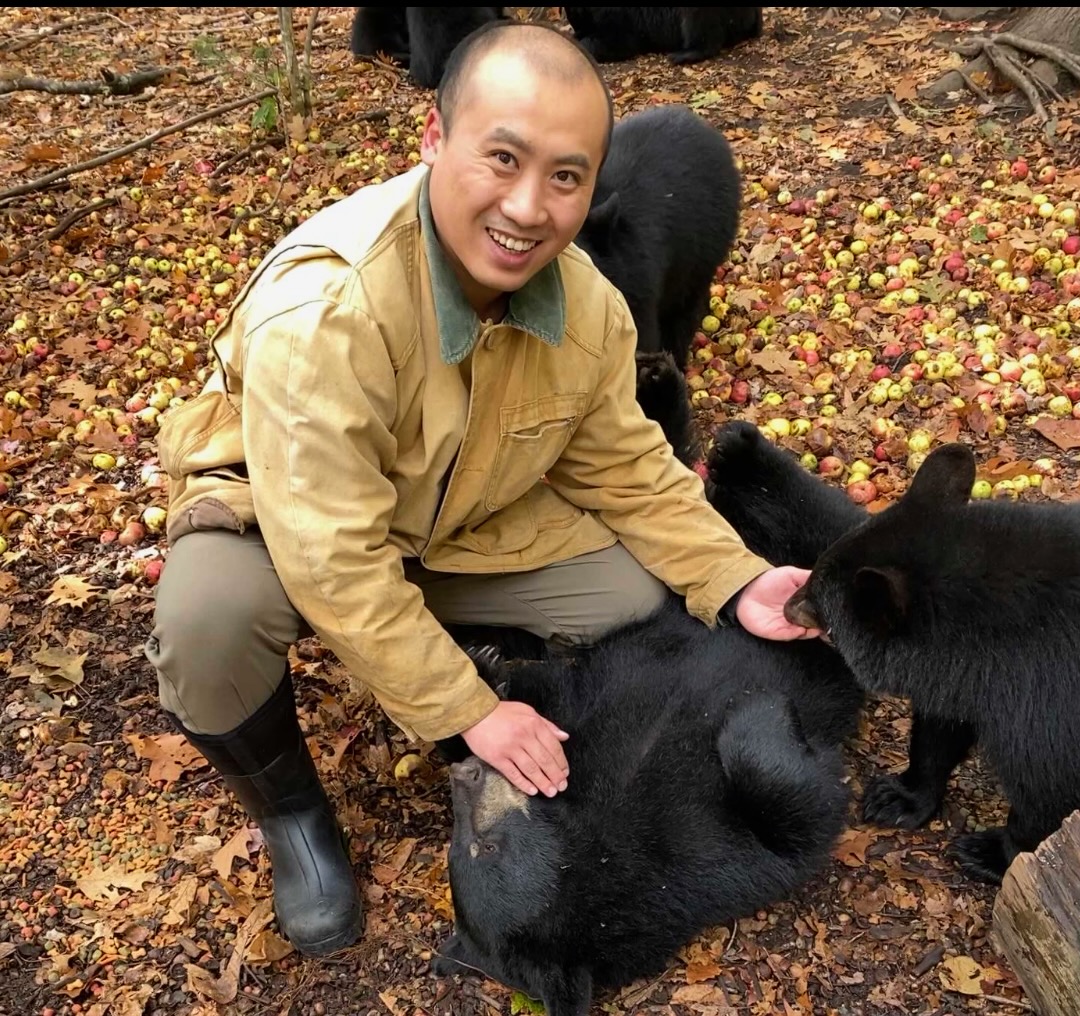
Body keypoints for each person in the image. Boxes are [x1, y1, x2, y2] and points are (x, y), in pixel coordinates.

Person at [144, 21, 820, 958]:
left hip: (459, 517)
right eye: (501, 158)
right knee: (205, 620)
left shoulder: (583, 307)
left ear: (592, 185)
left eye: (566, 177)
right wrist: (467, 713)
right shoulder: (328, 312)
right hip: (288, 523)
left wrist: (739, 577)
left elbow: (627, 465)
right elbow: (331, 555)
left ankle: (447, 646)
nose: (528, 206)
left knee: (629, 593)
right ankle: (293, 815)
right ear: (434, 138)